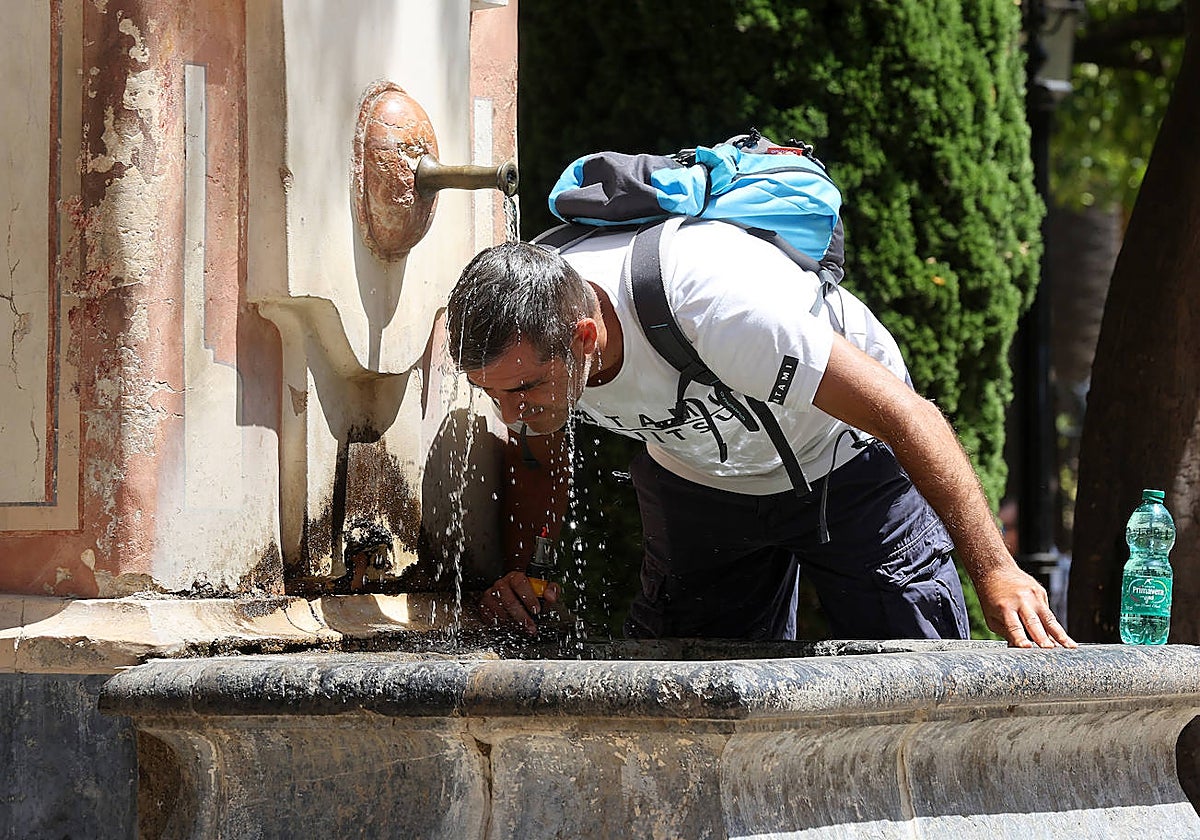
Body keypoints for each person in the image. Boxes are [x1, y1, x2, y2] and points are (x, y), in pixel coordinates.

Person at [445, 219, 1075, 648]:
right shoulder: (534, 338)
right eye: (492, 394)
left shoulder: (718, 311)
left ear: (586, 337)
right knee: (678, 694)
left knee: (918, 668)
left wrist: (995, 569)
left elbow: (910, 416)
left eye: (522, 391)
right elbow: (541, 439)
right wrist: (533, 569)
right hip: (698, 481)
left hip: (841, 459)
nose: (510, 414)